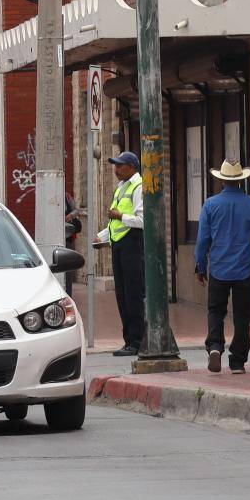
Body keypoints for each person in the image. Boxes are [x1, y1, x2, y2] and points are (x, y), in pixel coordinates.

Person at [194, 160, 250, 375]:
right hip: (244, 269)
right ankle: (238, 361)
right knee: (242, 316)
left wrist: (200, 266)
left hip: (219, 268)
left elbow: (202, 240)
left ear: (222, 180)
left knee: (215, 310)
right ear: (241, 181)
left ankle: (215, 346)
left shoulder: (210, 205)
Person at [97, 150, 144, 356]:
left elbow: (142, 220)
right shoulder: (121, 187)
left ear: (131, 167)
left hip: (133, 245)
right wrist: (102, 236)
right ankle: (129, 340)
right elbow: (115, 222)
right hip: (119, 246)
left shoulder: (139, 186)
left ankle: (137, 341)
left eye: (120, 165)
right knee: (122, 295)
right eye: (115, 165)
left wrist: (120, 216)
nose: (116, 169)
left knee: (133, 295)